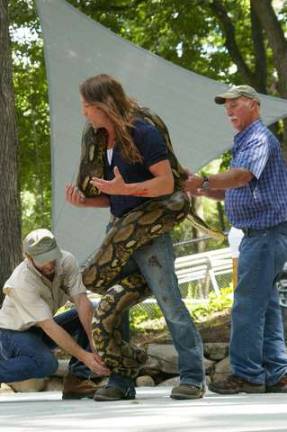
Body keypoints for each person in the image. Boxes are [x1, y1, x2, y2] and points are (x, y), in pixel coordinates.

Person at [66, 73, 205, 401]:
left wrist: (125, 189)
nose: (84, 112)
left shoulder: (143, 131)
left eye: (88, 106)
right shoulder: (100, 139)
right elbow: (112, 197)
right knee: (115, 306)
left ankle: (193, 377)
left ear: (104, 104)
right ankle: (121, 380)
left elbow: (166, 183)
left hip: (151, 234)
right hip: (118, 227)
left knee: (169, 302)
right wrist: (84, 200)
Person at [185, 84, 287, 394]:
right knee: (265, 306)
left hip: (265, 235)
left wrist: (204, 179)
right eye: (226, 105)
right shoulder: (244, 141)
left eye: (235, 103)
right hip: (263, 236)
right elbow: (234, 187)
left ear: (254, 105)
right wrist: (199, 188)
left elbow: (241, 176)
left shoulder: (257, 138)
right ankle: (278, 373)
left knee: (246, 306)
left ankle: (247, 375)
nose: (229, 110)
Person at [0, 228, 109, 399]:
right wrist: (85, 357)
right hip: (12, 333)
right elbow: (49, 327)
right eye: (43, 260)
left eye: (52, 257)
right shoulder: (21, 281)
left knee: (94, 309)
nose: (50, 264)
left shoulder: (67, 261)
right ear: (28, 258)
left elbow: (81, 302)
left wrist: (93, 340)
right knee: (47, 364)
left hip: (41, 328)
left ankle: (77, 381)